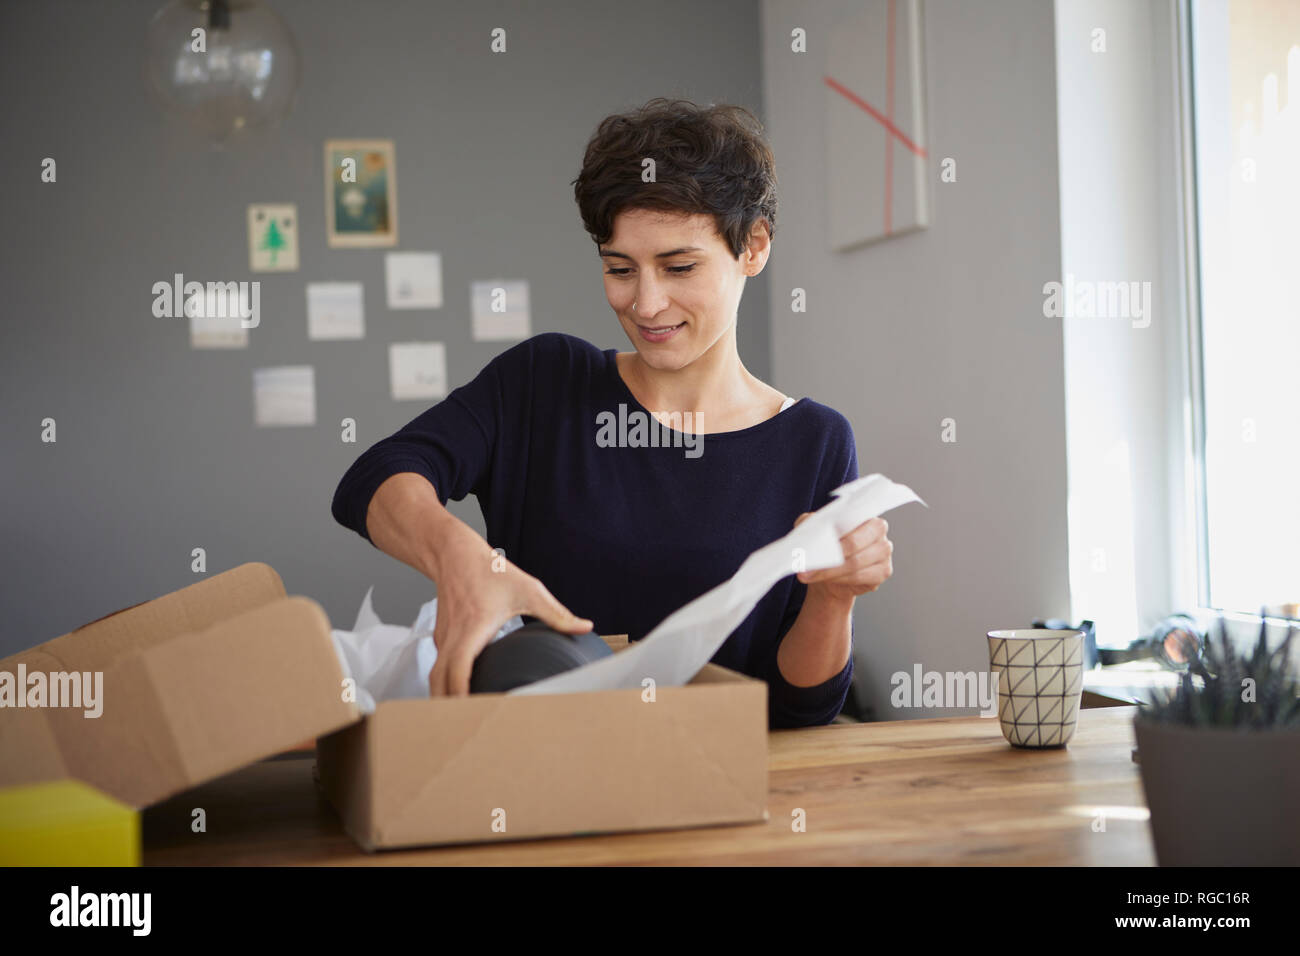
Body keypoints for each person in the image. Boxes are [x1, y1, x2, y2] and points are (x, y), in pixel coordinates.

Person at [331, 98, 894, 727]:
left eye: (679, 266)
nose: (647, 304)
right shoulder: (546, 383)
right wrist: (458, 558)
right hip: (539, 774)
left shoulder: (814, 442)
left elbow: (800, 709)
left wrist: (834, 597)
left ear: (754, 247)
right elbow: (375, 477)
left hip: (717, 791)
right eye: (619, 268)